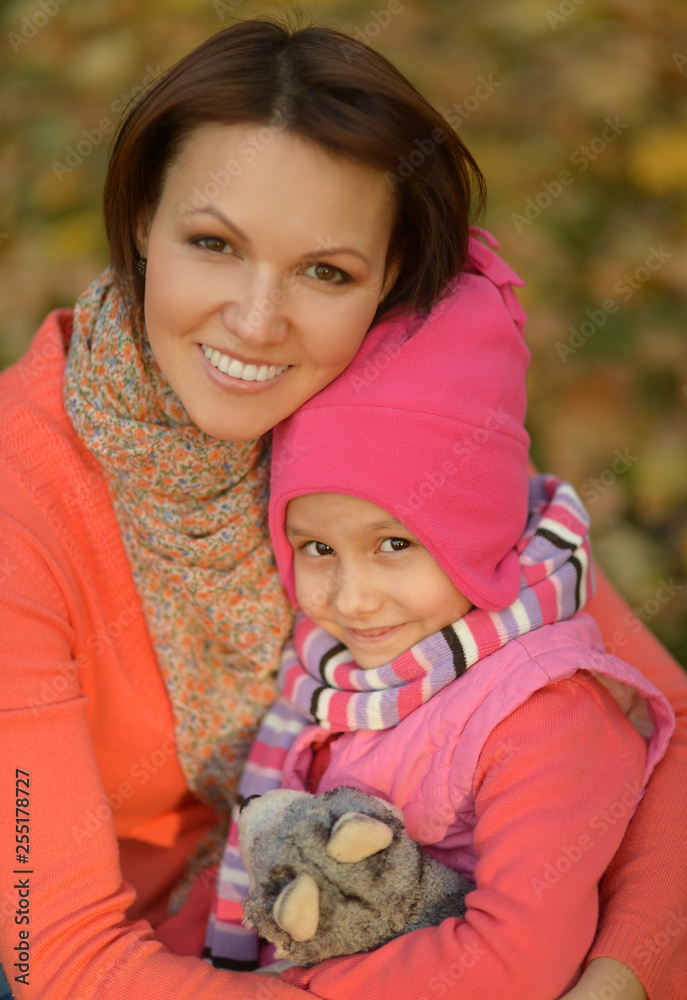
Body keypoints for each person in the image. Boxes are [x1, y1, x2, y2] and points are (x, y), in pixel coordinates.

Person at [0, 13, 685, 1000]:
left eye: (326, 270)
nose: (256, 320)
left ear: (388, 280)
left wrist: (620, 974)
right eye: (213, 243)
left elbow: (666, 721)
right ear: (144, 218)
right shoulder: (24, 516)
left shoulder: (389, 411)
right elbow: (46, 955)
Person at [203, 230, 675, 999]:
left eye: (394, 544)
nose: (350, 598)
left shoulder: (541, 715)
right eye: (315, 549)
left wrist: (294, 988)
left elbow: (518, 959)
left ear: (481, 533)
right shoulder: (342, 680)